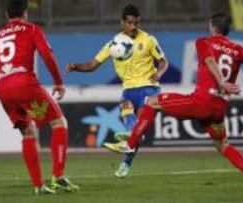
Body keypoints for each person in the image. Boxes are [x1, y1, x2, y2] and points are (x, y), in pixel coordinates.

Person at [104, 12, 243, 183]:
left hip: (201, 102)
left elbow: (210, 61)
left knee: (151, 102)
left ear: (213, 27)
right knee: (223, 145)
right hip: (218, 108)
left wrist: (220, 81)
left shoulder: (204, 42)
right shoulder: (238, 50)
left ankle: (130, 143)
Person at [0, 0, 79, 194]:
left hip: (4, 90)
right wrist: (58, 82)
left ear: (6, 15)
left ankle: (39, 186)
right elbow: (46, 54)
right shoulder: (31, 29)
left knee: (28, 131)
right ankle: (58, 176)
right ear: (25, 13)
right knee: (58, 123)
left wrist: (7, 87)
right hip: (25, 87)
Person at [65, 4, 168, 178]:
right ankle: (132, 136)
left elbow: (163, 62)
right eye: (129, 23)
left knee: (138, 125)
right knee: (127, 109)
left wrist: (158, 73)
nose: (133, 27)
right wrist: (75, 66)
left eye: (136, 23)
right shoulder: (114, 44)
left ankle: (127, 158)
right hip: (128, 89)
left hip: (148, 88)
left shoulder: (149, 40)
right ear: (122, 22)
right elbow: (92, 65)